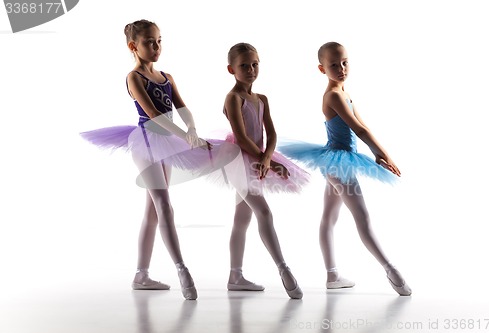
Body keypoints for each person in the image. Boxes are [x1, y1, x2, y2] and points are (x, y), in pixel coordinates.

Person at [81, 19, 225, 300]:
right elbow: (154, 115)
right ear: (133, 46)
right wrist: (186, 137)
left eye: (159, 40)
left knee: (152, 210)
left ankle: (141, 275)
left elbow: (182, 108)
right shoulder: (134, 77)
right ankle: (182, 269)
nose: (156, 46)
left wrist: (192, 130)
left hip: (168, 142)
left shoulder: (167, 77)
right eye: (149, 42)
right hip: (146, 141)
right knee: (164, 204)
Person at [278, 42, 412, 296]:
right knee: (362, 218)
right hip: (338, 164)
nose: (341, 68)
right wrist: (382, 154)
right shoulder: (334, 95)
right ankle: (391, 271)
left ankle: (332, 276)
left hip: (336, 162)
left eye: (344, 62)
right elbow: (360, 130)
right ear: (321, 69)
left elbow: (362, 123)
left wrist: (379, 153)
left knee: (330, 217)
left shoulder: (344, 92)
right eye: (333, 65)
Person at [222, 42, 309, 299]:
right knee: (263, 211)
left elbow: (270, 133)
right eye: (244, 66)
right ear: (231, 69)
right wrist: (264, 159)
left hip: (259, 158)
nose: (251, 69)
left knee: (242, 218)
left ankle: (235, 276)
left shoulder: (262, 99)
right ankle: (284, 270)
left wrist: (269, 158)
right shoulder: (233, 97)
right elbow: (241, 136)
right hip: (239, 160)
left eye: (255, 64)